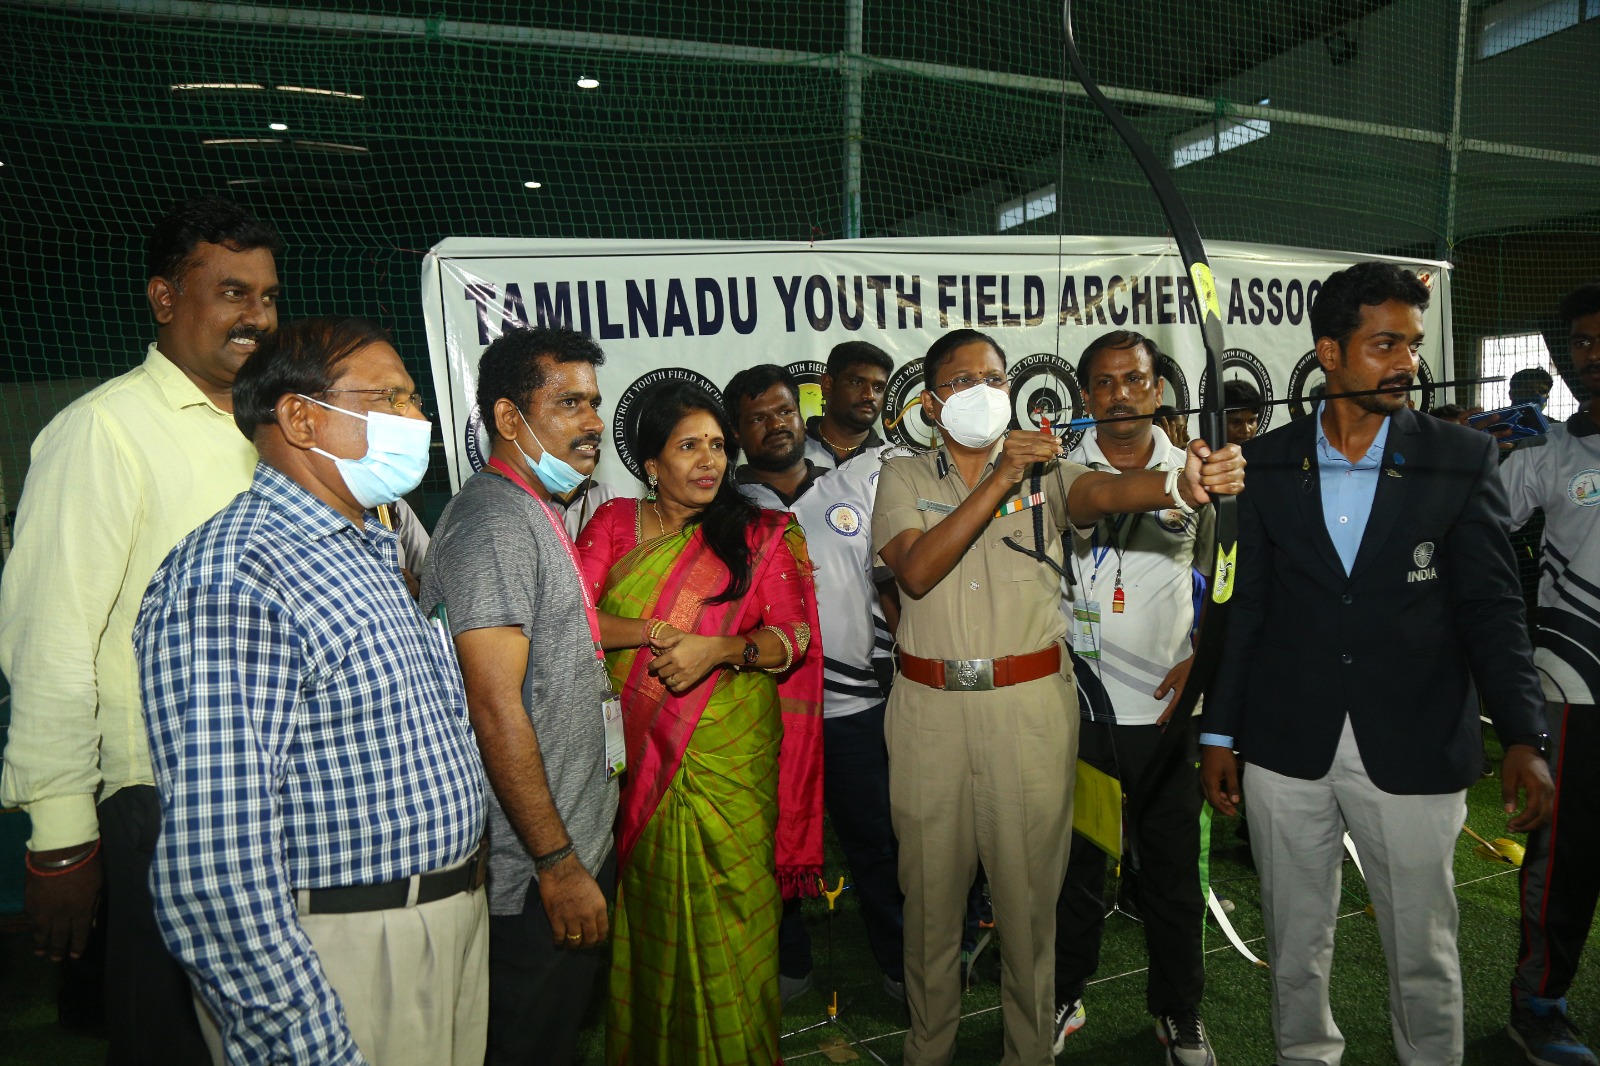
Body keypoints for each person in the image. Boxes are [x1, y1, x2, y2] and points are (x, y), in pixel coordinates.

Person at [1198, 262, 1555, 1066]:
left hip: (1417, 739)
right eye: (1385, 344)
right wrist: (1219, 733)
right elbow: (1244, 608)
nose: (1407, 363)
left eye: (1413, 345)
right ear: (1330, 352)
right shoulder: (1266, 461)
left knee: (1423, 947)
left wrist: (1524, 734)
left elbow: (1492, 607)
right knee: (1294, 941)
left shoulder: (1461, 456)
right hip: (1286, 742)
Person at [871, 327, 1244, 1066]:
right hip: (929, 716)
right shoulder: (902, 478)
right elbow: (914, 570)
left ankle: (1028, 1052)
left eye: (994, 378)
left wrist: (1185, 483)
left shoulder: (1053, 474)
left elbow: (1110, 490)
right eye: (962, 380)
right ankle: (928, 1049)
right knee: (931, 903)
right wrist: (997, 480)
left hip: (1031, 711)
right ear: (932, 403)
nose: (982, 391)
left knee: (1029, 906)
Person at [136, 316, 489, 1064]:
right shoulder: (234, 576)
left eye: (414, 398)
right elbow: (216, 860)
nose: (415, 419)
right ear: (300, 418)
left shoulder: (367, 546)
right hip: (347, 948)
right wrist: (300, 1042)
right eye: (388, 398)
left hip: (445, 922)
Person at [0, 195, 281, 1063]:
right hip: (157, 802)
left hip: (278, 791)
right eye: (231, 292)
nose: (257, 316)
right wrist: (60, 836)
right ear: (164, 298)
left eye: (268, 296)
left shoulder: (281, 431)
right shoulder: (102, 432)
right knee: (173, 1041)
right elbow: (51, 641)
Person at [576, 381, 824, 1065]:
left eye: (717, 445)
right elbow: (576, 618)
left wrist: (718, 649)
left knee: (738, 914)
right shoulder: (615, 524)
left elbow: (793, 638)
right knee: (655, 914)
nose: (709, 460)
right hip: (644, 757)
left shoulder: (762, 532)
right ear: (651, 463)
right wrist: (656, 632)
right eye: (689, 446)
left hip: (732, 757)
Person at [421, 327, 620, 1065]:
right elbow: (494, 706)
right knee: (527, 1043)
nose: (593, 421)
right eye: (570, 403)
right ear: (509, 418)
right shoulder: (494, 523)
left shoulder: (533, 508)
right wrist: (557, 862)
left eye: (594, 401)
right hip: (535, 870)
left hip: (566, 844)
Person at [1054, 330, 1216, 1064]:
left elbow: (1228, 580)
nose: (1120, 395)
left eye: (1134, 380)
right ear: (1086, 395)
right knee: (1077, 866)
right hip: (1078, 709)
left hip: (1163, 710)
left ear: (1157, 389)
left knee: (1171, 871)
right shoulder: (1058, 472)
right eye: (1104, 382)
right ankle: (1064, 994)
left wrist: (1202, 659)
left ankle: (1178, 1010)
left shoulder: (1197, 471)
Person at [725, 363, 906, 1005]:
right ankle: (789, 963)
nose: (775, 425)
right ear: (738, 434)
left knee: (879, 842)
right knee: (775, 846)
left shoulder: (856, 484)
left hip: (856, 706)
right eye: (757, 419)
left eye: (783, 411)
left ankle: (900, 964)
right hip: (770, 711)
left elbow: (890, 586)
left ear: (801, 414)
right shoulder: (726, 511)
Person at [1499, 283, 1600, 1066]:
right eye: (1582, 343)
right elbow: (1475, 522)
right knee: (1564, 857)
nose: (1591, 357)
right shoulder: (1550, 453)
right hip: (1573, 687)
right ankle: (1538, 1006)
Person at [805, 340, 893, 468]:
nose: (870, 395)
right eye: (857, 383)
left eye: (878, 388)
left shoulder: (899, 464)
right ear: (827, 385)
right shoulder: (788, 455)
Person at [1222, 378, 1263, 445]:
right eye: (1236, 422)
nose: (1246, 430)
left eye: (1251, 421)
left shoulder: (1267, 450)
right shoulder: (1205, 450)